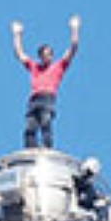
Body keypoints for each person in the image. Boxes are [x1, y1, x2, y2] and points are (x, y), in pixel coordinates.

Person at [13, 14, 81, 149]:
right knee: (30, 129)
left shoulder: (58, 66)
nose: (47, 57)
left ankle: (47, 148)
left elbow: (73, 48)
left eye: (49, 54)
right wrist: (17, 34)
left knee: (45, 123)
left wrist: (75, 28)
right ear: (40, 56)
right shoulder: (35, 67)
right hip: (34, 99)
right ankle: (31, 151)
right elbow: (20, 53)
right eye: (44, 55)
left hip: (47, 97)